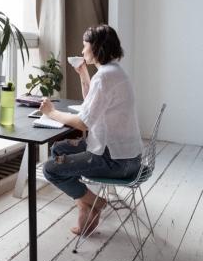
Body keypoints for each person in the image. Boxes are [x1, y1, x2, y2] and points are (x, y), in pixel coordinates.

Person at [40, 24, 143, 235]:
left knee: (50, 168)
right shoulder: (113, 72)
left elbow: (84, 122)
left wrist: (50, 113)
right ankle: (84, 207)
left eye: (85, 45)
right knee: (60, 149)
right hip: (128, 158)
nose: (82, 50)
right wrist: (83, 75)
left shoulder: (105, 77)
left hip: (113, 161)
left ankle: (96, 202)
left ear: (97, 48)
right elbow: (92, 109)